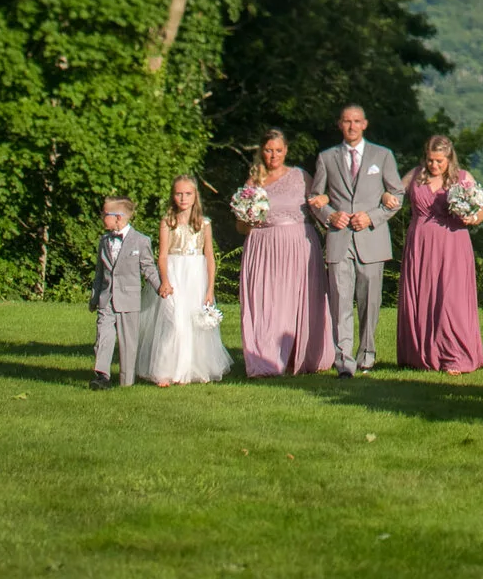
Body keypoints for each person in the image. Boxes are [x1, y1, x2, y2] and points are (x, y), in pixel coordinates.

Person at [307, 104, 404, 378]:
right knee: (340, 302)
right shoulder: (326, 158)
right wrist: (329, 215)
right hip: (339, 241)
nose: (351, 126)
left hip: (371, 240)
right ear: (339, 124)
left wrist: (372, 217)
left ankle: (367, 355)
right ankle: (344, 360)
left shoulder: (382, 156)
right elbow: (315, 198)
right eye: (347, 121)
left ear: (365, 124)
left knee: (370, 302)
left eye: (356, 121)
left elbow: (397, 195)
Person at [237, 128, 334, 377]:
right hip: (263, 248)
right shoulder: (253, 183)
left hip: (298, 247)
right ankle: (266, 356)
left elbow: (319, 208)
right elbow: (241, 226)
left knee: (297, 300)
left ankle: (298, 353)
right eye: (268, 150)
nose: (273, 155)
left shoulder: (301, 177)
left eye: (278, 150)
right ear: (261, 151)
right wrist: (248, 216)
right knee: (267, 303)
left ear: (286, 150)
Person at [397, 134, 483, 375]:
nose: (434, 165)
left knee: (451, 300)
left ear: (449, 158)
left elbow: (481, 212)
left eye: (439, 161)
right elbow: (393, 196)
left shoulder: (463, 178)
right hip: (421, 243)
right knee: (424, 296)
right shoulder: (415, 175)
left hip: (453, 244)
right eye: (430, 160)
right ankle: (420, 355)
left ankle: (454, 355)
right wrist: (386, 197)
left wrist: (472, 217)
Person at [142, 175, 230, 386]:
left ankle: (190, 370)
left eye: (188, 194)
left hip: (196, 275)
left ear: (195, 196)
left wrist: (210, 289)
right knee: (174, 322)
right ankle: (165, 369)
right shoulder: (168, 222)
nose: (183, 198)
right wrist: (164, 280)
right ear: (173, 196)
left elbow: (209, 256)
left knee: (194, 322)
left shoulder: (204, 223)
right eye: (179, 193)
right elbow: (162, 255)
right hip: (175, 273)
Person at [89, 197, 154, 389]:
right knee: (103, 335)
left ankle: (127, 380)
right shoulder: (104, 241)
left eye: (104, 214)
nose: (102, 217)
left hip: (129, 298)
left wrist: (161, 286)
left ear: (118, 217)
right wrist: (94, 298)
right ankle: (101, 375)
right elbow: (99, 272)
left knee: (128, 341)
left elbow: (148, 268)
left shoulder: (141, 241)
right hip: (106, 297)